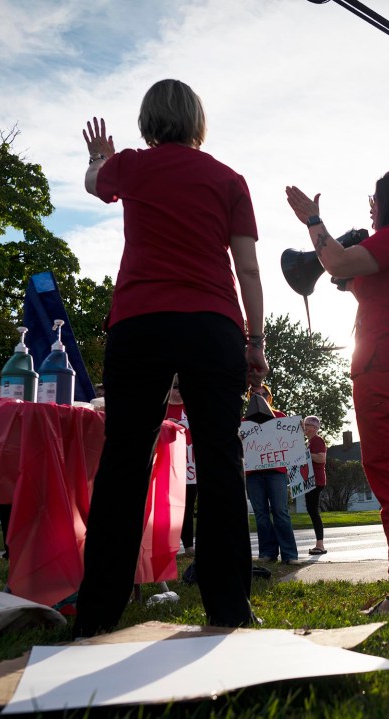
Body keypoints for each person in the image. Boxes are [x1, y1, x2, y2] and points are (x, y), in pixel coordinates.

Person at [73, 79, 267, 636]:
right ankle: (229, 608)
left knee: (124, 463)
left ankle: (97, 614)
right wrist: (255, 343)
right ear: (197, 121)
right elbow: (248, 270)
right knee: (221, 461)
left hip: (140, 320)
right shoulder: (229, 179)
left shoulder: (130, 165)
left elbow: (93, 184)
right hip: (213, 324)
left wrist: (98, 158)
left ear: (148, 119)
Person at [286, 170, 389, 617]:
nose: (370, 206)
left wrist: (313, 220)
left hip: (386, 371)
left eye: (375, 198)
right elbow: (362, 282)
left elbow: (339, 264)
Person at [245, 384, 299, 564]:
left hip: (276, 473)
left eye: (264, 394)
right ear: (249, 397)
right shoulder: (244, 422)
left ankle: (290, 554)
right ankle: (267, 553)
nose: (260, 396)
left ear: (270, 397)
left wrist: (298, 431)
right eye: (255, 394)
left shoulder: (281, 418)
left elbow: (291, 443)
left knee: (280, 511)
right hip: (253, 474)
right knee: (260, 514)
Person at [165, 378, 198, 556]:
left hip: (190, 465)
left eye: (182, 387)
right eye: (175, 387)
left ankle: (188, 545)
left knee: (188, 505)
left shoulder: (193, 407)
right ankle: (167, 543)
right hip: (167, 463)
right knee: (167, 504)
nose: (179, 391)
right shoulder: (163, 407)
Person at [303, 416, 329, 555]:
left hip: (316, 480)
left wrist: (306, 453)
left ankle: (320, 545)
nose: (304, 427)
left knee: (313, 511)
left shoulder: (317, 440)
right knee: (312, 511)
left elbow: (321, 457)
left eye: (307, 424)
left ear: (314, 427)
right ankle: (319, 544)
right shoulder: (310, 442)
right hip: (310, 481)